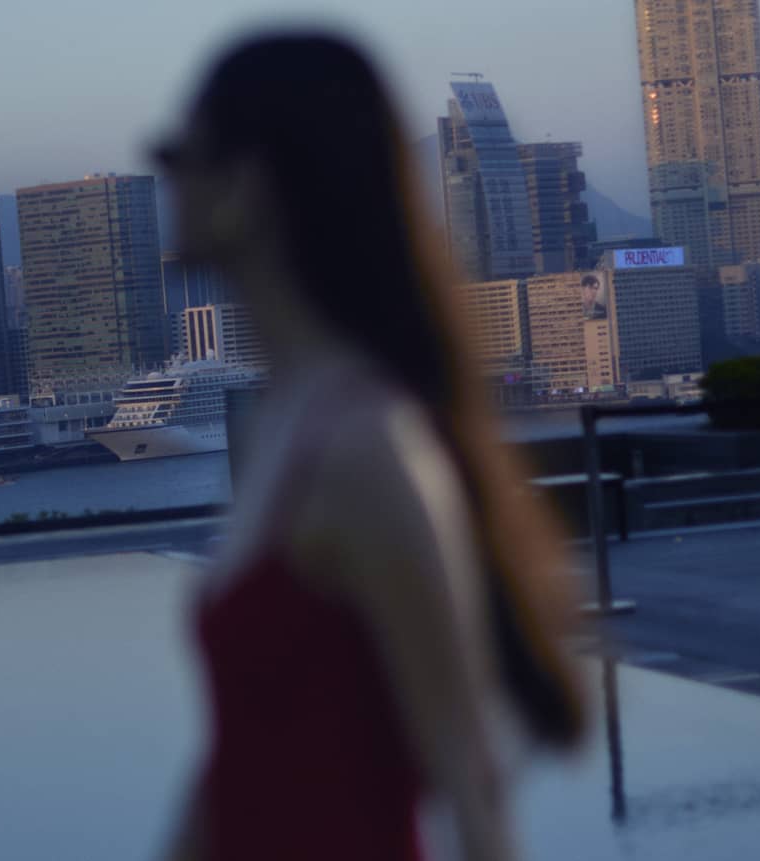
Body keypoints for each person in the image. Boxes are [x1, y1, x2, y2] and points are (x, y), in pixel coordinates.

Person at [155, 33, 586, 860]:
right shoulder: (291, 419)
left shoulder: (362, 443)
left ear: (249, 185)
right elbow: (238, 762)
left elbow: (468, 775)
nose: (164, 173)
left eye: (182, 150)